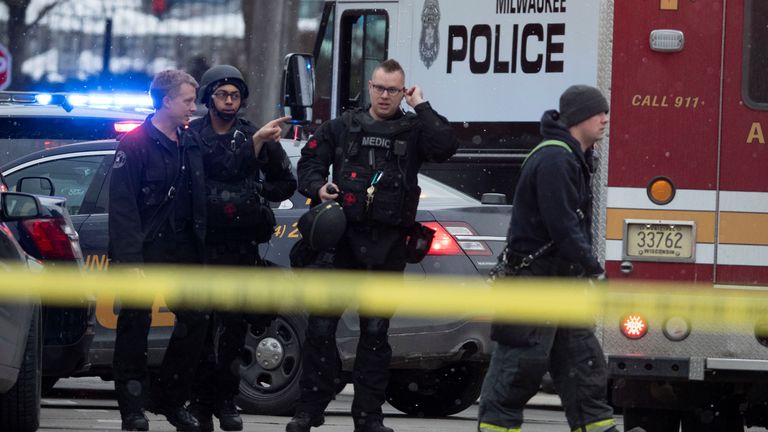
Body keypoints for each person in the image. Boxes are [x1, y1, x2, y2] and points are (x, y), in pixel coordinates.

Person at [287, 58, 459, 432]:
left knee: (376, 337)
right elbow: (308, 163)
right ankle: (308, 410)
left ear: (404, 91)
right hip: (341, 245)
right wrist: (319, 187)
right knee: (320, 331)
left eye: (393, 90)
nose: (385, 96)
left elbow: (447, 146)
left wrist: (423, 107)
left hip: (387, 247)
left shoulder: (414, 131)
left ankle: (368, 417)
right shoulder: (342, 127)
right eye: (379, 88)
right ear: (369, 87)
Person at [477, 85, 643, 432]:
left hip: (560, 283)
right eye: (600, 112)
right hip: (535, 285)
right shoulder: (555, 159)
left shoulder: (570, 156)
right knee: (516, 372)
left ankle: (596, 426)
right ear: (580, 116)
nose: (606, 119)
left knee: (583, 368)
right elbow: (564, 226)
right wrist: (594, 270)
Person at [187, 64, 297, 432]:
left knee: (233, 329)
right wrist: (254, 146)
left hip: (239, 247)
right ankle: (200, 403)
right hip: (202, 248)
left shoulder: (255, 135)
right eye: (222, 94)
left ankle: (226, 400)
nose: (229, 101)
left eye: (235, 95)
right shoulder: (194, 136)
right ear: (208, 98)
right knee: (201, 329)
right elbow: (217, 166)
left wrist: (256, 194)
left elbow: (284, 183)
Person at [109, 70, 209, 431]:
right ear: (166, 101)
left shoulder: (190, 141)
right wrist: (130, 262)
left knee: (196, 320)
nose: (192, 108)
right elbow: (122, 208)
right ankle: (132, 409)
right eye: (187, 100)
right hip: (145, 252)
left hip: (183, 252)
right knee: (135, 327)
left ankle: (169, 398)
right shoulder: (135, 144)